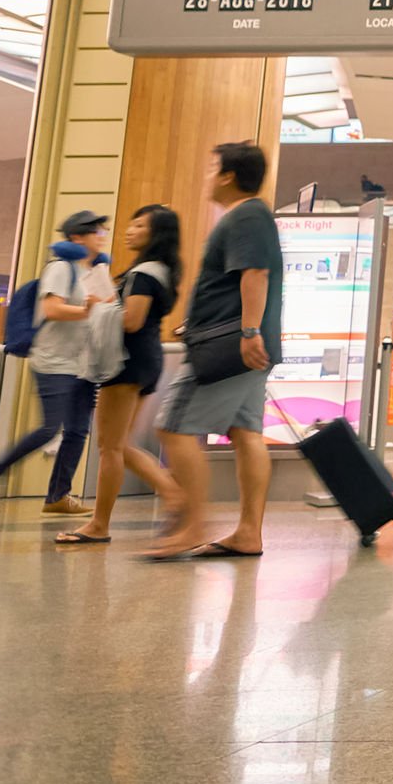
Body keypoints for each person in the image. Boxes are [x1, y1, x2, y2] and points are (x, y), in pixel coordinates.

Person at [146, 142, 284, 560]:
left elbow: (255, 274)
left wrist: (247, 331)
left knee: (173, 427)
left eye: (211, 168)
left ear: (227, 175)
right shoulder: (250, 216)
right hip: (243, 345)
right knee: (246, 434)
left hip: (226, 349)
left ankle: (192, 527)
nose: (207, 176)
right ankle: (247, 532)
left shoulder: (246, 214)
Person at [0, 210, 112, 516]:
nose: (101, 236)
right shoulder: (61, 268)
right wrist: (89, 310)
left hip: (82, 363)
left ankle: (58, 496)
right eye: (95, 232)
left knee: (77, 431)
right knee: (50, 428)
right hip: (54, 361)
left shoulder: (95, 272)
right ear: (76, 237)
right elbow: (53, 309)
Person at [61, 204, 187, 546]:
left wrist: (100, 306)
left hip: (127, 360)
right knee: (119, 446)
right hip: (145, 359)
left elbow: (131, 320)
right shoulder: (161, 270)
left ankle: (101, 524)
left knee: (109, 447)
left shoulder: (145, 273)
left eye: (140, 225)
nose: (130, 230)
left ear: (156, 233)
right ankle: (173, 494)